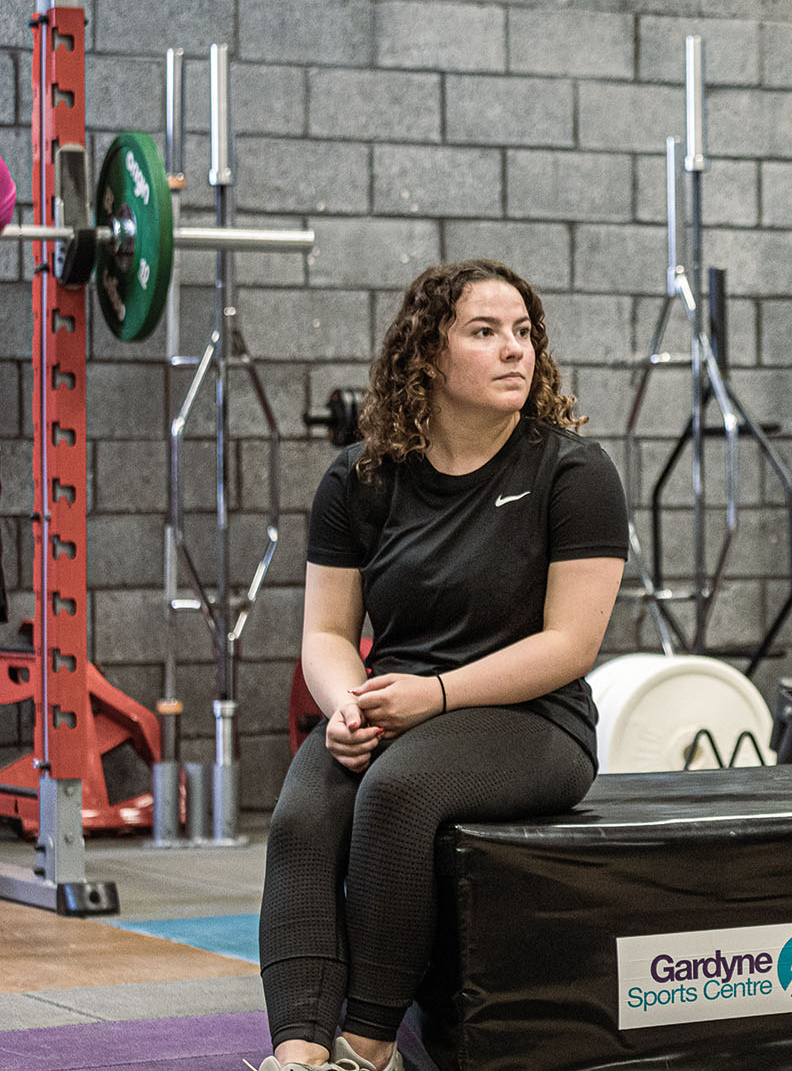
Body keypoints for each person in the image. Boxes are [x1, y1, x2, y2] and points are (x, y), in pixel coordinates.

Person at [256, 259, 627, 1071]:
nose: (514, 351)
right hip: (393, 705)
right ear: (428, 354)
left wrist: (438, 695)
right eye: (485, 332)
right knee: (301, 817)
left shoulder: (574, 472)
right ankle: (297, 1056)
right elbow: (325, 631)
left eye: (524, 333)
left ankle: (366, 1048)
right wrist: (347, 706)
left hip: (532, 719)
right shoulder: (360, 477)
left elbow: (570, 645)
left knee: (398, 790)